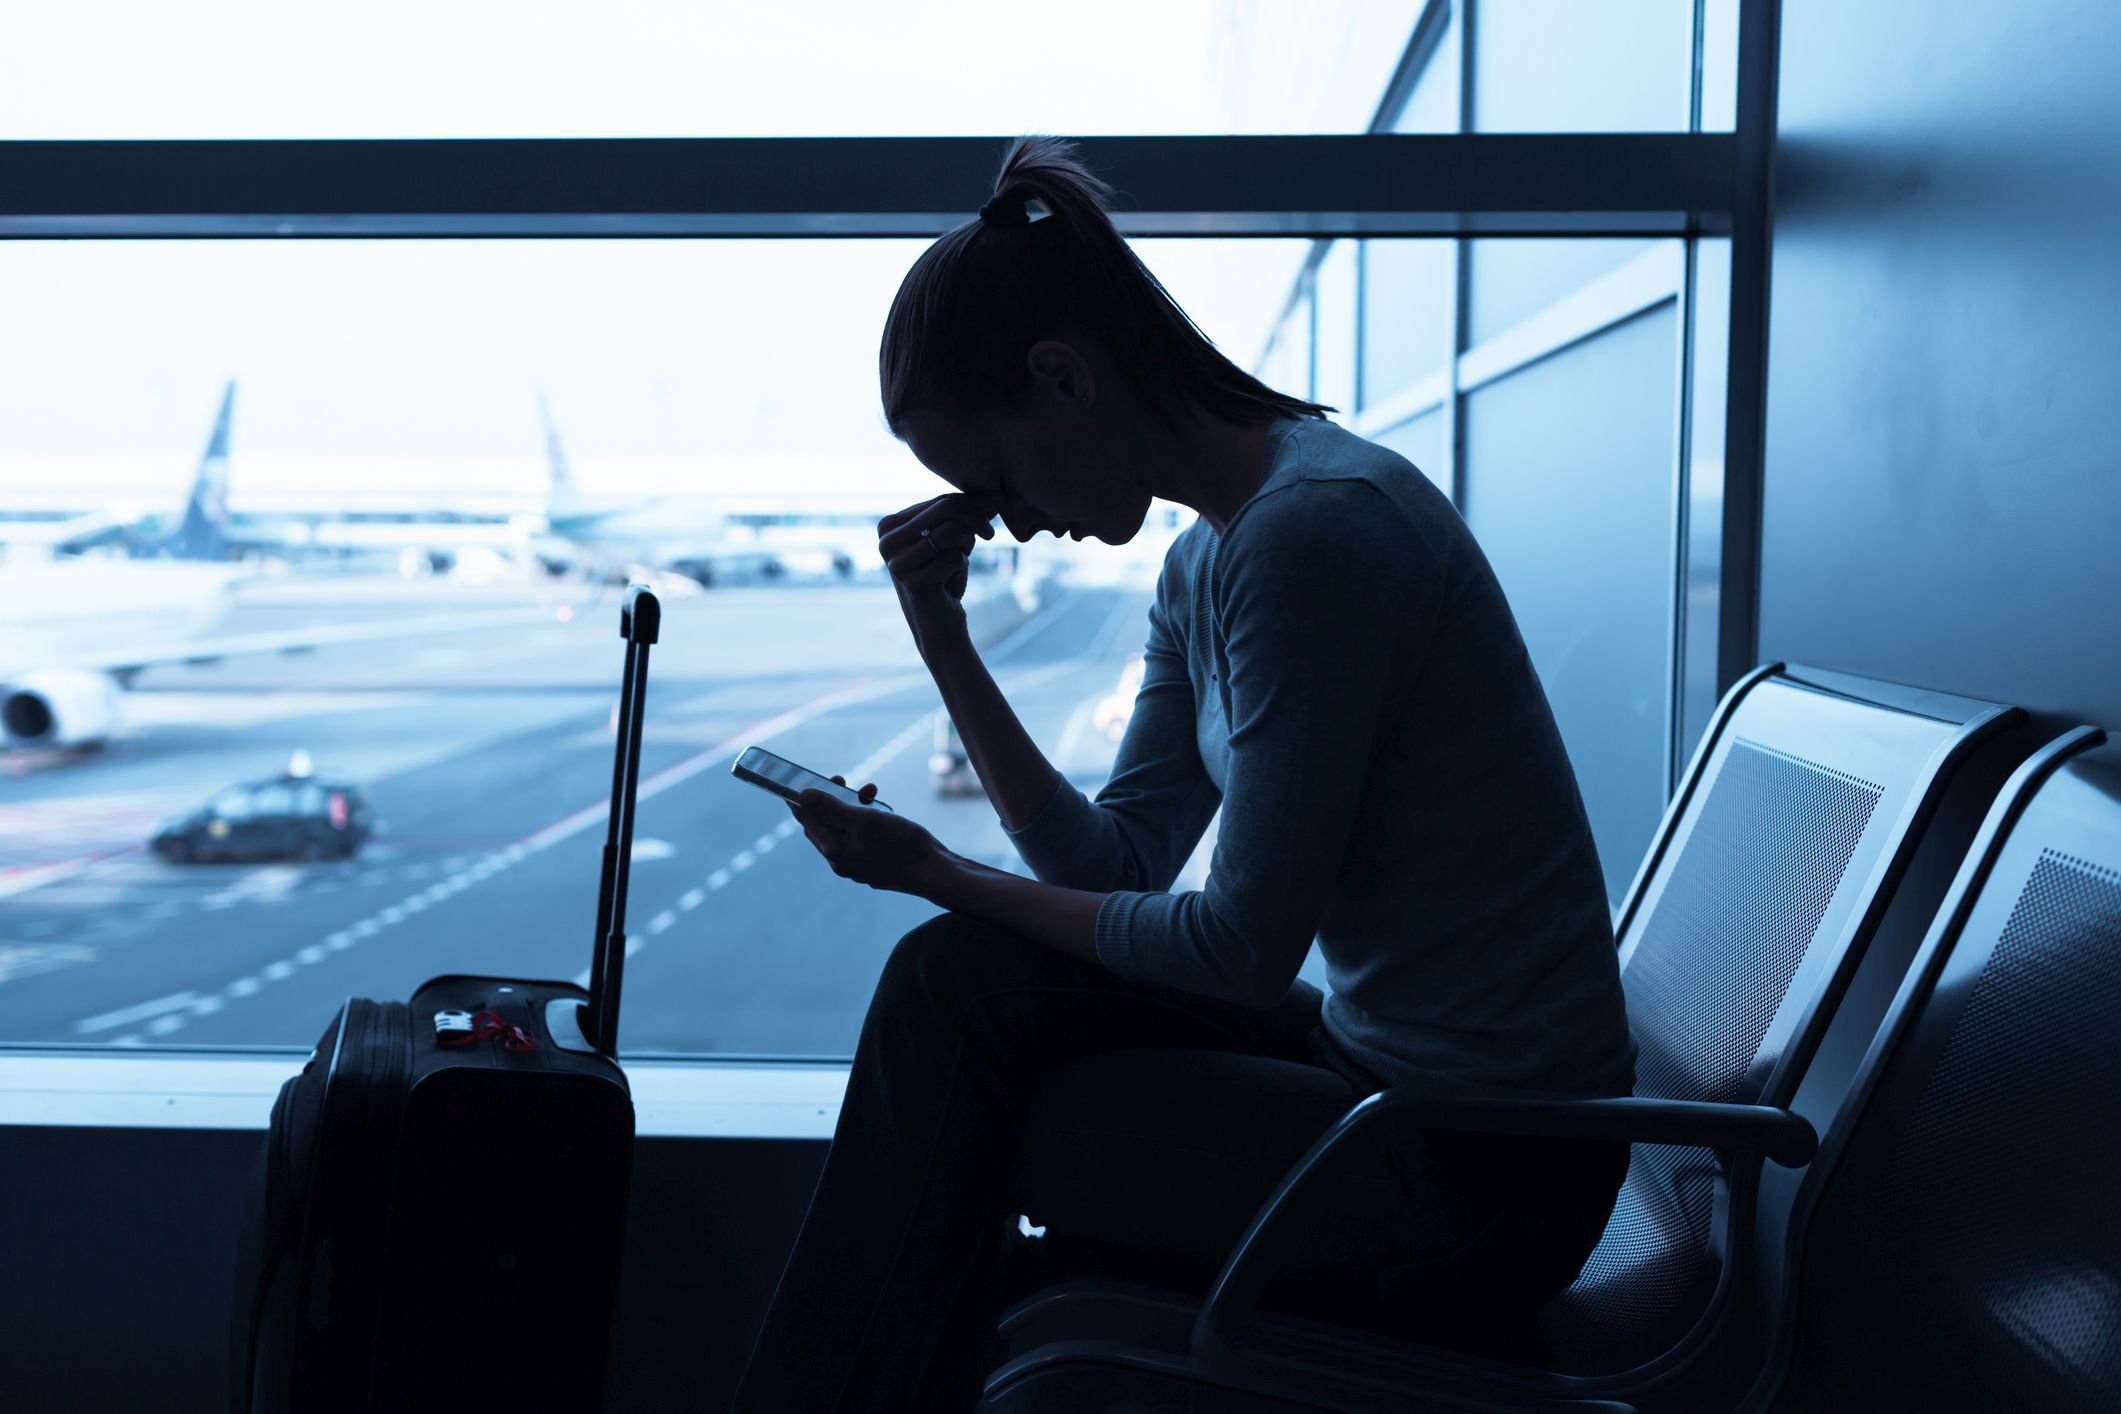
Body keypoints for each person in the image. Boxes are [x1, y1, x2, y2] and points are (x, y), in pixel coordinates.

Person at [732, 135, 1636, 1413]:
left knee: (961, 1019)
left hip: (1482, 1181)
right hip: (1386, 1079)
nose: (1007, 520)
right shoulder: (1207, 560)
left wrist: (936, 870)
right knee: (957, 988)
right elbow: (1116, 864)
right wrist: (946, 639)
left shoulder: (1314, 538)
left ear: (1062, 375)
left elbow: (1235, 953)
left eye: (992, 479)